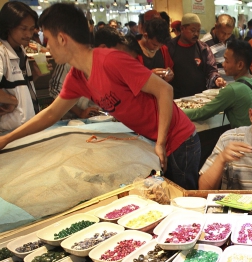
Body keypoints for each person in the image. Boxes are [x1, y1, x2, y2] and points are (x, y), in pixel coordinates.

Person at [0, 3, 200, 190]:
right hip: (156, 143)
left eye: (48, 39)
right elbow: (51, 114)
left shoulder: (110, 60)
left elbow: (165, 90)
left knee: (183, 200)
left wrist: (160, 141)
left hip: (179, 140)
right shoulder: (77, 76)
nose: (46, 46)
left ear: (62, 39)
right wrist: (7, 139)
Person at [183, 40, 252, 128]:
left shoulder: (232, 90)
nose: (223, 64)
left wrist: (176, 111)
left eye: (226, 61)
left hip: (242, 138)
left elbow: (201, 113)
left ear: (240, 65)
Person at [0, 1, 49, 132]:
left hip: (26, 126)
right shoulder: (1, 51)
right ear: (8, 27)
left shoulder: (20, 50)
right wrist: (12, 100)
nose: (28, 34)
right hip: (7, 131)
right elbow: (16, 97)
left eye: (31, 28)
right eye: (23, 28)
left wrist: (35, 75)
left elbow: (21, 89)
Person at [167, 13, 225, 99]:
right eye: (193, 30)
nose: (196, 34)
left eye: (198, 31)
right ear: (182, 28)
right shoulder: (170, 47)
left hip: (199, 97)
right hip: (176, 97)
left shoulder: (203, 48)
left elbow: (211, 70)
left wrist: (216, 78)